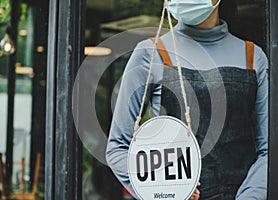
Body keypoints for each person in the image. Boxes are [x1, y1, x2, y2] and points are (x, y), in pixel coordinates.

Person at [106, 0, 268, 199]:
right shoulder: (150, 52)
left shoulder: (252, 56)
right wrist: (164, 192)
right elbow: (118, 147)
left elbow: (269, 150)